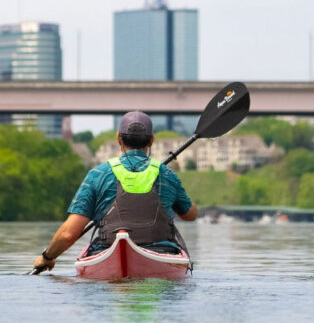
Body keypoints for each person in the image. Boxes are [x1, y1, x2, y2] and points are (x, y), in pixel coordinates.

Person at [32, 110, 197, 273]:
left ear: (119, 138)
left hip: (106, 251)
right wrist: (186, 201)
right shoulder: (168, 175)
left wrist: (47, 256)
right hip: (162, 253)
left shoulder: (97, 174)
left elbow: (68, 234)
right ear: (151, 140)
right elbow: (190, 215)